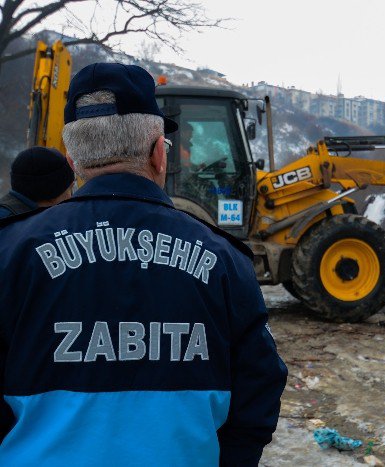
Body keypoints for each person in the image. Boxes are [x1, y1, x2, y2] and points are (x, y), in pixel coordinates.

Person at [0, 63, 287, 466]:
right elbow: (258, 393)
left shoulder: (10, 253)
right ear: (158, 153)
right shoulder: (226, 261)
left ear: (72, 160)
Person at [0, 146, 74, 218]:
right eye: (70, 189)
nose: (72, 196)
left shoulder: (12, 214)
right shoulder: (16, 225)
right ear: (52, 192)